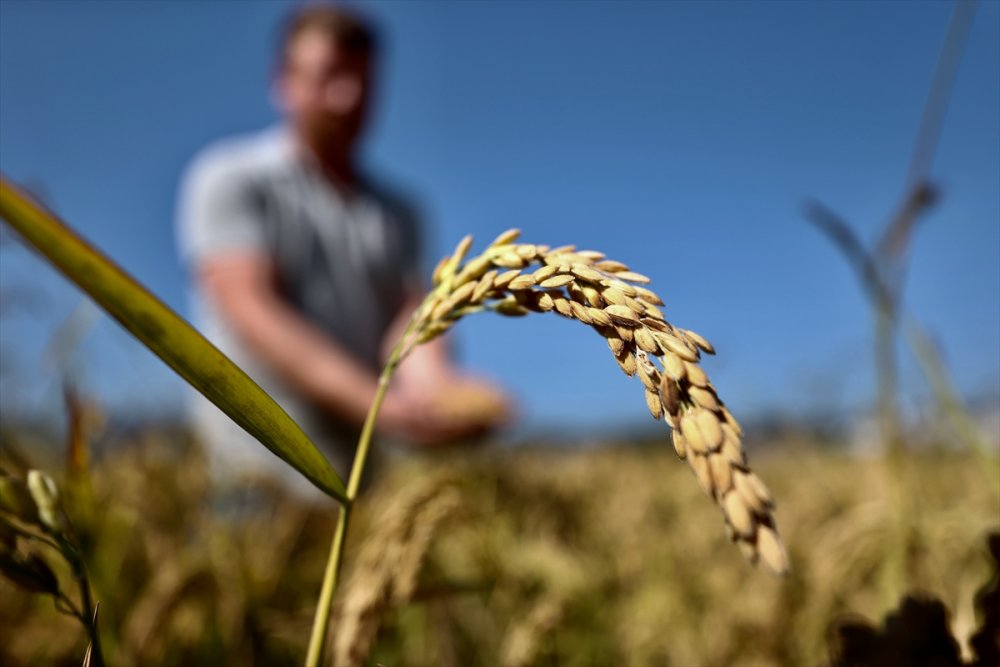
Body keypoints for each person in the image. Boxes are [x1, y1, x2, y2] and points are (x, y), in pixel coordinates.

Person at [176, 4, 508, 494]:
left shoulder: (399, 213)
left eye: (362, 81)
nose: (347, 97)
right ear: (283, 81)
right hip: (253, 466)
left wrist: (438, 393)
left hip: (353, 472)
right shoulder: (231, 178)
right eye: (328, 77)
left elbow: (413, 321)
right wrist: (388, 411)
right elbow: (250, 308)